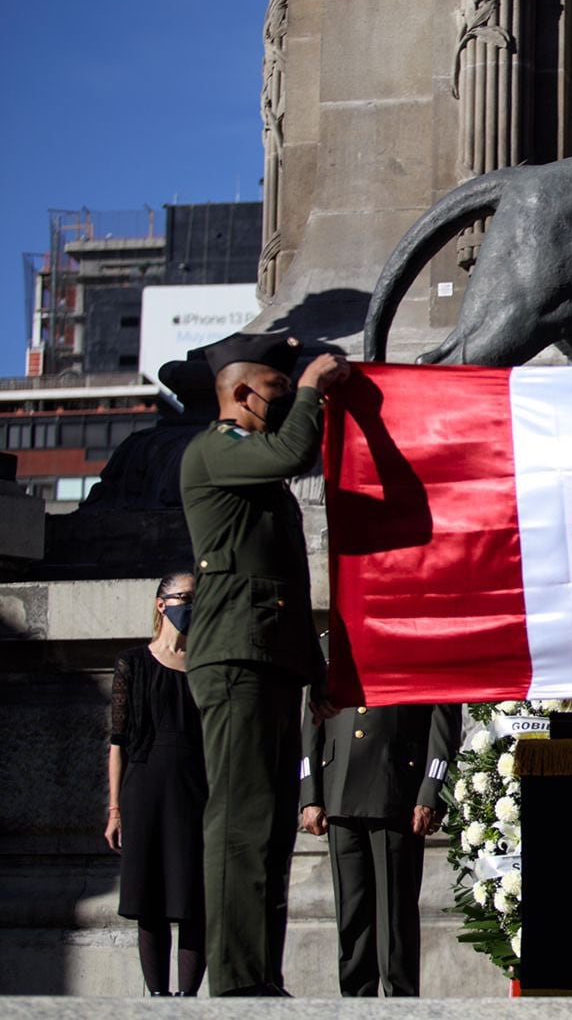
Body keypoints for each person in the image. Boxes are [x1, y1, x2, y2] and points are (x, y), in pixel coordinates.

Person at [180, 332, 349, 996]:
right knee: (243, 821)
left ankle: (257, 976)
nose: (288, 400)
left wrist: (317, 672)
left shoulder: (256, 467)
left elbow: (286, 584)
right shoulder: (215, 451)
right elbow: (296, 448)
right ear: (243, 393)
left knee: (272, 830)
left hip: (269, 658)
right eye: (277, 389)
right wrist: (311, 388)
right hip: (234, 659)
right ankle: (237, 984)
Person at [299, 699, 462, 996]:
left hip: (397, 787)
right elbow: (314, 713)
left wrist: (430, 790)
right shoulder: (331, 649)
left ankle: (400, 1009)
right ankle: (355, 1007)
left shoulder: (423, 649)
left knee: (395, 922)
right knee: (352, 918)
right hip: (340, 789)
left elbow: (443, 717)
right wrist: (310, 793)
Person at [105, 571, 207, 996]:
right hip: (144, 789)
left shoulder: (206, 666)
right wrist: (114, 810)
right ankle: (159, 999)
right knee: (151, 900)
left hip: (195, 791)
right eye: (185, 597)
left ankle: (187, 1000)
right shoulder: (134, 663)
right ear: (161, 604)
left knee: (193, 900)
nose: (192, 606)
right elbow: (118, 742)